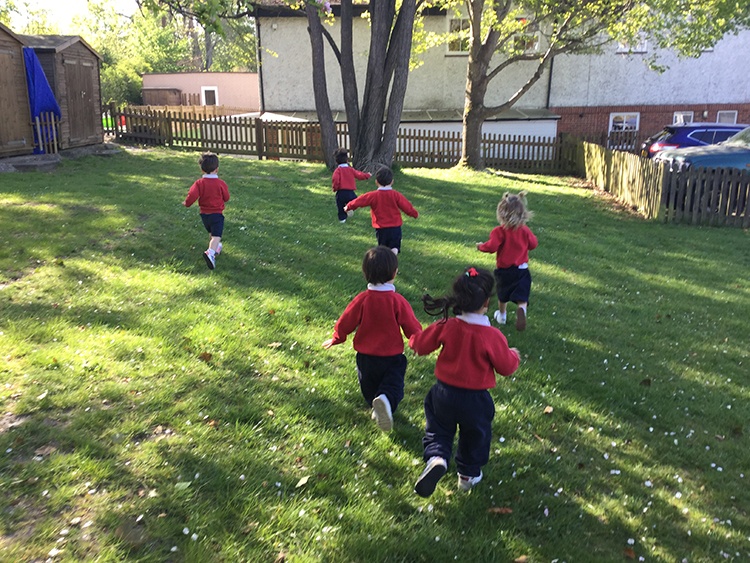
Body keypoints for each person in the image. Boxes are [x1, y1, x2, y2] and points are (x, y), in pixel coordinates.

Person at [409, 267, 520, 498]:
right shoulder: (492, 336)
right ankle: (467, 475)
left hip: (443, 394)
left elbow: (420, 345)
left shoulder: (447, 325)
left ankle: (437, 458)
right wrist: (514, 355)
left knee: (438, 430)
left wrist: (413, 339)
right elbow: (507, 367)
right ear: (486, 303)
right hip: (475, 400)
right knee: (475, 436)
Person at [322, 246, 422, 431]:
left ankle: (377, 405)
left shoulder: (362, 299)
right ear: (394, 273)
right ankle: (384, 401)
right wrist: (418, 341)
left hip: (365, 359)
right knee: (393, 386)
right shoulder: (397, 301)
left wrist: (338, 337)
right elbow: (411, 326)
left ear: (365, 273)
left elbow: (346, 320)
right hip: (391, 357)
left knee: (370, 389)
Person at [476, 191, 538, 331]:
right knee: (522, 295)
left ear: (501, 214)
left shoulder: (499, 231)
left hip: (504, 270)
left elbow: (492, 247)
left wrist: (480, 246)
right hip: (522, 270)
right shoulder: (525, 230)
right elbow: (533, 244)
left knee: (503, 294)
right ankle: (522, 309)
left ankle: (502, 315)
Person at [344, 167, 418, 254]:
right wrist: (414, 214)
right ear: (392, 182)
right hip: (395, 227)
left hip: (381, 228)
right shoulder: (396, 195)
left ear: (376, 182)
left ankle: (385, 259)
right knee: (395, 246)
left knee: (383, 248)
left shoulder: (373, 195)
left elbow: (360, 201)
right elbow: (406, 206)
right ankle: (393, 254)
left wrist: (348, 206)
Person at [183, 152, 231, 270]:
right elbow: (226, 197)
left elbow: (192, 195)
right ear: (217, 169)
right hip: (217, 214)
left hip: (204, 214)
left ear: (202, 169)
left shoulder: (199, 183)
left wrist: (187, 203)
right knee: (216, 236)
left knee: (211, 232)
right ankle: (210, 253)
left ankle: (216, 248)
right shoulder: (220, 183)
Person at [332, 148, 371, 223]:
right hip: (350, 192)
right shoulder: (350, 169)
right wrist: (367, 175)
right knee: (355, 201)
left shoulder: (337, 171)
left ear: (336, 161)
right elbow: (359, 175)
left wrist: (335, 188)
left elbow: (335, 180)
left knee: (340, 206)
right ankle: (349, 208)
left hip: (341, 192)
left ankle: (342, 219)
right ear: (347, 160)